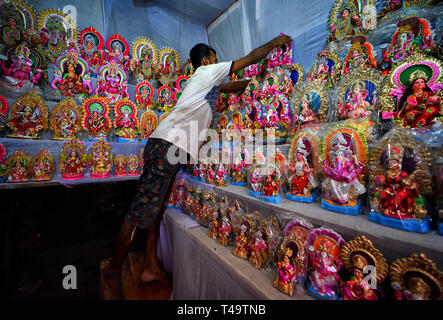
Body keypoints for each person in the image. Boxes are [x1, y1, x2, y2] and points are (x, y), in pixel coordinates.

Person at [102, 34, 292, 299]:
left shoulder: (205, 83)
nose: (219, 62)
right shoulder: (206, 71)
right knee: (140, 213)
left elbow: (228, 88)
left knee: (155, 211)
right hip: (167, 146)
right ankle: (113, 270)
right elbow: (248, 59)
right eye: (215, 57)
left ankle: (149, 266)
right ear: (206, 59)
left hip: (172, 148)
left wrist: (257, 84)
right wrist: (274, 44)